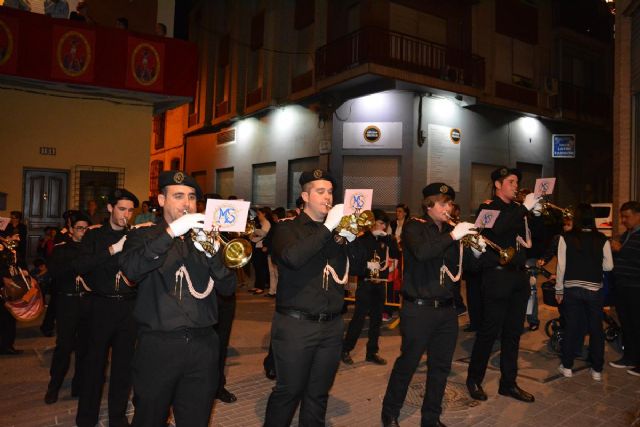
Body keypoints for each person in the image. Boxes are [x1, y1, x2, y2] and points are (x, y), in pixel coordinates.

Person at [119, 171, 236, 426]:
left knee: (196, 420)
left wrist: (215, 254)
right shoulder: (143, 236)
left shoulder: (206, 239)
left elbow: (228, 288)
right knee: (149, 418)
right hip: (159, 345)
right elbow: (131, 270)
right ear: (161, 200)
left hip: (203, 345)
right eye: (179, 196)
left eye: (192, 197)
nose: (187, 203)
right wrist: (170, 233)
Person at [264, 169, 365, 426]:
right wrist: (329, 226)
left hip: (331, 326)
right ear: (305, 196)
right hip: (296, 325)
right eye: (320, 191)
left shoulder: (337, 231)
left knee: (318, 395)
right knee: (289, 392)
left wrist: (352, 240)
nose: (327, 197)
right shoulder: (287, 228)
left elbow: (361, 268)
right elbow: (292, 258)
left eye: (330, 192)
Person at [381, 183, 479, 427]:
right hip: (419, 309)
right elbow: (423, 252)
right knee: (409, 362)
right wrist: (454, 236)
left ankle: (431, 418)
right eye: (444, 203)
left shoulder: (451, 231)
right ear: (430, 205)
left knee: (441, 367)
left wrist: (478, 252)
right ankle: (390, 411)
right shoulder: (415, 226)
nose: (449, 208)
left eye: (450, 204)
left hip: (447, 310)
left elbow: (464, 270)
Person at [466, 167, 541, 403]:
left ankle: (508, 383)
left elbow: (533, 243)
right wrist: (524, 208)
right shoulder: (488, 208)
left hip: (518, 276)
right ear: (498, 184)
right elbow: (496, 229)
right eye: (511, 181)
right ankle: (474, 379)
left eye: (517, 181)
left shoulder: (516, 210)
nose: (516, 185)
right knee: (489, 331)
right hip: (497, 276)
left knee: (513, 333)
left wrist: (536, 215)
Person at [73, 188, 138, 427]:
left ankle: (118, 419)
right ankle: (86, 419)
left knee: (123, 368)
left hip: (128, 307)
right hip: (101, 306)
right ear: (110, 208)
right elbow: (80, 266)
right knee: (94, 367)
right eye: (122, 209)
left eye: (131, 210)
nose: (126, 215)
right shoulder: (94, 235)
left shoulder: (135, 236)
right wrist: (113, 249)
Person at [555, 204, 613, 381]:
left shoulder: (566, 237)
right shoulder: (602, 238)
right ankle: (596, 370)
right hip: (594, 289)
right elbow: (609, 266)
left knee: (572, 326)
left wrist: (559, 289)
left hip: (572, 289)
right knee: (596, 329)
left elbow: (561, 266)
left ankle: (567, 366)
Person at [44, 212, 91, 404]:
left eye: (86, 228)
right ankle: (53, 387)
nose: (83, 232)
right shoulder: (61, 250)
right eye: (79, 228)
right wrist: (77, 265)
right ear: (71, 230)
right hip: (67, 303)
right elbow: (55, 273)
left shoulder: (92, 249)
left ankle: (78, 386)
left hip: (87, 303)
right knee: (64, 347)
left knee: (84, 347)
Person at [342, 209, 399, 366]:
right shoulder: (363, 239)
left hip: (380, 284)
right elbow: (356, 262)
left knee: (376, 320)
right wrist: (367, 265)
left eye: (385, 225)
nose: (383, 227)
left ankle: (372, 352)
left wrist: (389, 239)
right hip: (366, 283)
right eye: (380, 223)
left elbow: (396, 254)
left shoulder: (386, 240)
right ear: (373, 223)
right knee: (359, 319)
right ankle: (345, 349)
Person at [609, 201, 640, 375]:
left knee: (637, 324)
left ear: (638, 216)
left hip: (636, 287)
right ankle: (629, 357)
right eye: (622, 216)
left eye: (627, 216)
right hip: (622, 286)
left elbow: (631, 256)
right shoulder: (626, 234)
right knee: (627, 323)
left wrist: (620, 250)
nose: (623, 220)